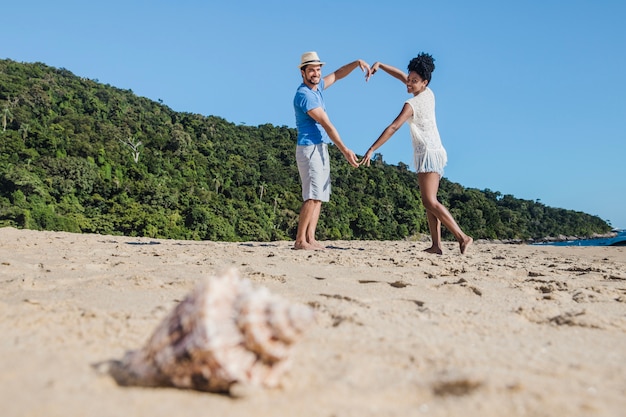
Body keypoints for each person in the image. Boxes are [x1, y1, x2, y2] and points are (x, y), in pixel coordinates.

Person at [360, 53, 472, 255]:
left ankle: (462, 237)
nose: (408, 83)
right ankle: (436, 246)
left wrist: (372, 148)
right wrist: (382, 65)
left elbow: (393, 127)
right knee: (429, 200)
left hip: (427, 152)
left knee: (429, 201)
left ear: (424, 82)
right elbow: (401, 75)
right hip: (434, 151)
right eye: (409, 80)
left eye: (413, 81)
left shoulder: (412, 104)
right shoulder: (428, 92)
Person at [293, 51, 370, 250]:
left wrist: (356, 62)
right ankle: (300, 240)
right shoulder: (304, 95)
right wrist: (345, 150)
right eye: (311, 70)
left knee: (319, 196)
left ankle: (310, 237)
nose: (316, 73)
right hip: (309, 147)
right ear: (303, 72)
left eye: (318, 69)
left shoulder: (317, 90)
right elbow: (327, 124)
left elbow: (337, 74)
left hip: (320, 147)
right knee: (311, 195)